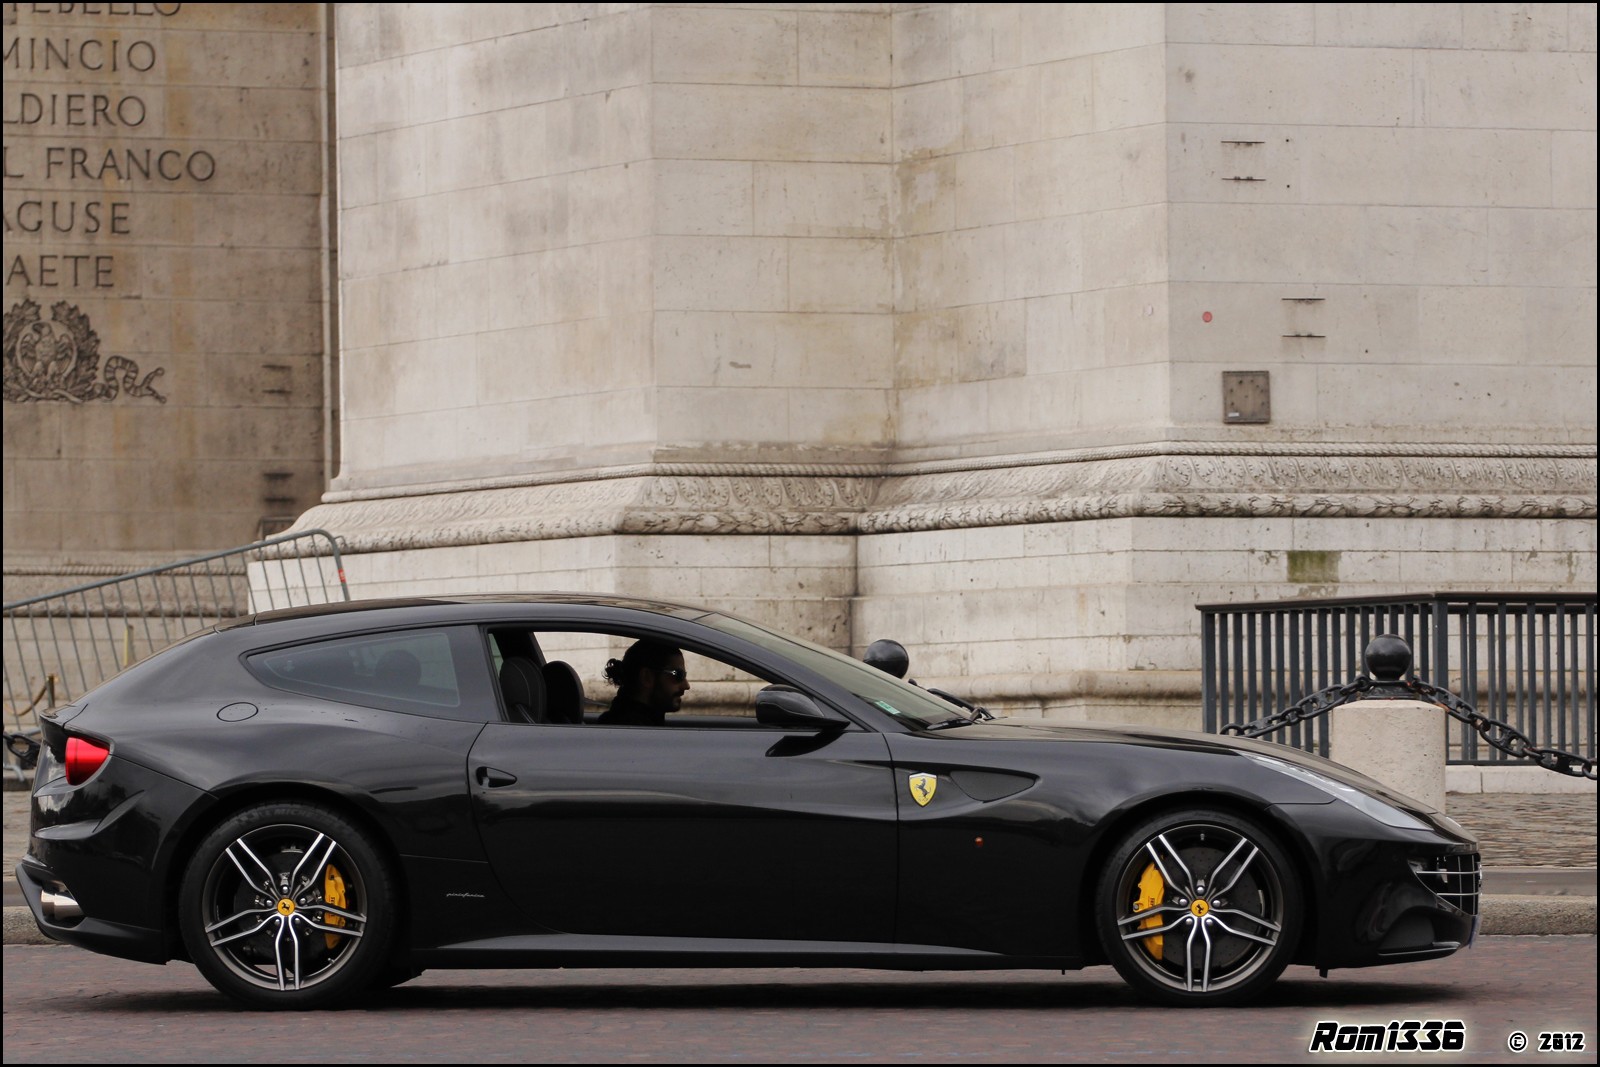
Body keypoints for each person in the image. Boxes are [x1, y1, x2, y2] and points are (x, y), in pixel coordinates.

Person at [598, 640, 690, 726]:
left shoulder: (641, 723)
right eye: (678, 675)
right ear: (647, 677)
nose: (686, 686)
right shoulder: (631, 730)